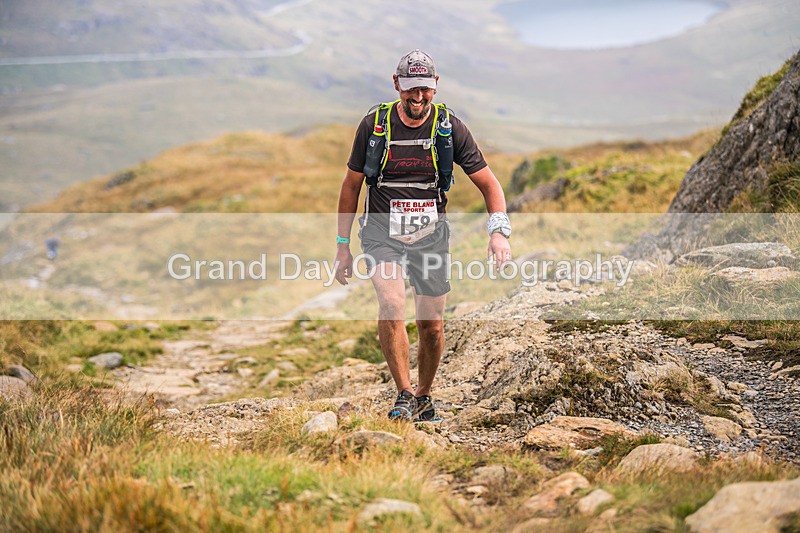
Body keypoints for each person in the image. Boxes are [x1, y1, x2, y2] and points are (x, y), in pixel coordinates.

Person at [334, 49, 512, 422]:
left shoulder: (450, 128)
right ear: (397, 84)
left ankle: (424, 395)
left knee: (431, 326)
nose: (417, 98)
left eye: (425, 90)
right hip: (382, 232)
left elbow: (489, 184)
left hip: (431, 236)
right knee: (392, 303)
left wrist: (499, 233)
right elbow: (351, 186)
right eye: (410, 90)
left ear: (436, 86)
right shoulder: (374, 126)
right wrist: (342, 247)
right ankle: (402, 392)